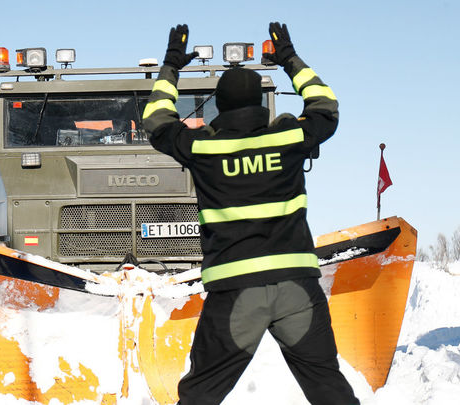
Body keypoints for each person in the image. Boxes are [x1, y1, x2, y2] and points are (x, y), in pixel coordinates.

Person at [142, 23, 360, 405]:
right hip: (297, 288)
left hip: (234, 291)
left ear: (221, 107)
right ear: (260, 103)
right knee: (329, 389)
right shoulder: (289, 138)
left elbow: (157, 120)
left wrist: (171, 64)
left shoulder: (203, 149)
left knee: (200, 395)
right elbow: (325, 106)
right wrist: (289, 59)